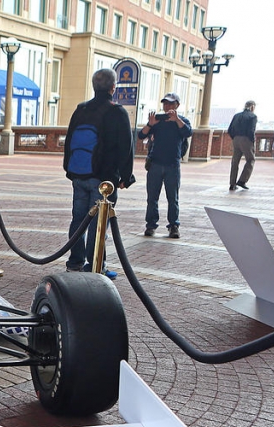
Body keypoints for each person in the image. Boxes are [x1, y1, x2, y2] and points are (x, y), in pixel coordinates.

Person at [62, 68, 134, 277]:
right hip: (104, 180)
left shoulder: (81, 109)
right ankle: (95, 266)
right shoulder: (117, 112)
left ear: (94, 86)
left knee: (78, 219)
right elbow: (125, 148)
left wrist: (70, 170)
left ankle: (74, 261)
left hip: (79, 174)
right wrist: (125, 177)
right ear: (113, 87)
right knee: (98, 223)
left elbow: (68, 141)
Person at [138, 92, 193, 240]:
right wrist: (150, 124)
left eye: (170, 103)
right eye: (165, 103)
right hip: (155, 163)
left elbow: (188, 132)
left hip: (172, 165)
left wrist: (177, 120)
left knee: (172, 198)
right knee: (152, 198)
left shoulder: (182, 121)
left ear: (177, 105)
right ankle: (150, 225)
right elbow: (141, 135)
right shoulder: (158, 121)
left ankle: (173, 226)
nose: (167, 106)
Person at [227, 100, 257, 190]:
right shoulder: (253, 116)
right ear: (252, 107)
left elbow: (230, 129)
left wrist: (234, 138)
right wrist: (252, 140)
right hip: (246, 139)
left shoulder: (236, 115)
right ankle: (242, 180)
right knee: (250, 159)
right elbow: (251, 130)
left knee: (235, 162)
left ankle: (232, 184)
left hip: (236, 139)